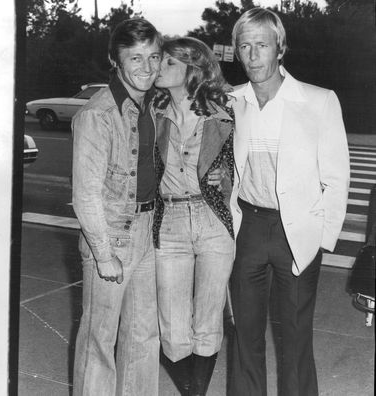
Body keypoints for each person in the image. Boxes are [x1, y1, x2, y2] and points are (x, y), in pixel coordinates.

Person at [227, 7, 350, 396]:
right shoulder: (232, 102)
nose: (252, 55)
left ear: (280, 48)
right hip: (247, 227)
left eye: (261, 45)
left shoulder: (318, 101)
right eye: (244, 46)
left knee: (295, 337)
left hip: (295, 231)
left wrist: (321, 239)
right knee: (244, 334)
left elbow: (337, 178)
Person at [71, 18, 163, 396]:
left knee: (143, 337)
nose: (147, 68)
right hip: (111, 237)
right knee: (99, 341)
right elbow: (86, 193)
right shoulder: (99, 114)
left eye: (154, 57)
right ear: (115, 60)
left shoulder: (147, 106)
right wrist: (104, 254)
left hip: (145, 230)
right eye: (136, 58)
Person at [152, 37, 235, 396]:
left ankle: (194, 393)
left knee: (207, 317)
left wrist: (225, 178)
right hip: (169, 221)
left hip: (212, 219)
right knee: (171, 326)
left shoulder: (224, 116)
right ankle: (191, 390)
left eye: (168, 62)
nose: (158, 67)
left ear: (192, 69)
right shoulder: (151, 113)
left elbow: (242, 169)